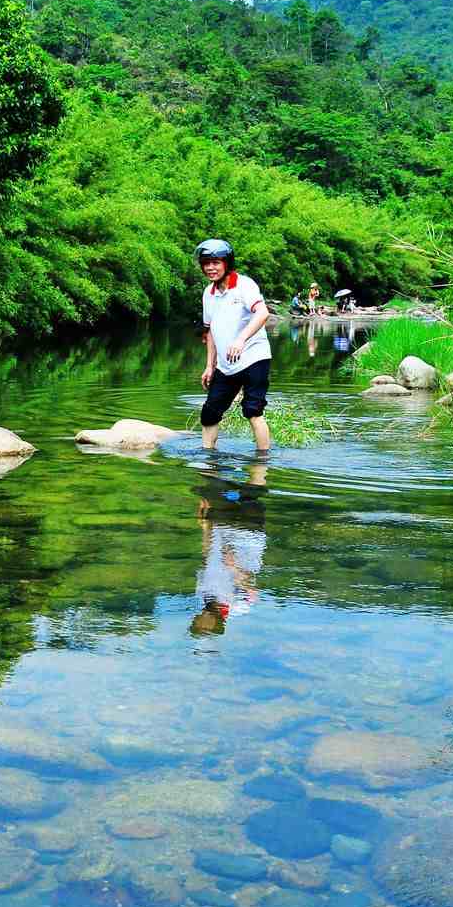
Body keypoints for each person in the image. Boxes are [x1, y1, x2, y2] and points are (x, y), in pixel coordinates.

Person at [196, 239, 271, 453]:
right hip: (226, 365)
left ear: (227, 263)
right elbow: (209, 331)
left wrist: (241, 339)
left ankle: (262, 462)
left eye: (216, 263)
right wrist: (209, 366)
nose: (210, 268)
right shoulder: (208, 293)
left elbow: (263, 313)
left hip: (254, 358)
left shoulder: (244, 285)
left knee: (253, 411)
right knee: (209, 413)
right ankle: (208, 458)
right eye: (206, 263)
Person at [189, 463, 267, 637]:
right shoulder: (239, 607)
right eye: (203, 625)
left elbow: (206, 557)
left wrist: (205, 526)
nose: (199, 619)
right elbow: (252, 587)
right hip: (249, 536)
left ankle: (215, 458)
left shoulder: (202, 595)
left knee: (212, 488)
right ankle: (260, 460)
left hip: (221, 531)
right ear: (218, 626)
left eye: (197, 622)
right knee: (253, 491)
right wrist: (234, 568)